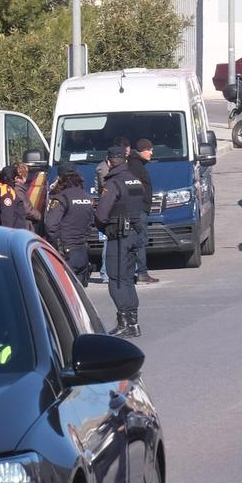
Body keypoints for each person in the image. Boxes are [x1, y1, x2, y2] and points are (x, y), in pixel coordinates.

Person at [94, 147, 141, 337]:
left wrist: (103, 228)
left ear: (109, 161)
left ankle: (125, 323)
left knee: (115, 279)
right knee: (128, 279)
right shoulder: (134, 180)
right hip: (134, 234)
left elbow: (101, 213)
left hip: (118, 235)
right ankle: (134, 321)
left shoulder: (113, 184)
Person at [42, 165, 98, 284]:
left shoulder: (61, 198)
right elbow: (90, 224)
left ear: (59, 178)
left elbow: (51, 226)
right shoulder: (87, 197)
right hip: (83, 251)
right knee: (78, 296)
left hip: (65, 253)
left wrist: (53, 245)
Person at [127, 139, 157, 284]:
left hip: (140, 208)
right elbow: (134, 187)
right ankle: (142, 272)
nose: (151, 152)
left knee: (139, 240)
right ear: (142, 150)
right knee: (140, 240)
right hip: (138, 209)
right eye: (149, 150)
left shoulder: (137, 164)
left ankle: (140, 271)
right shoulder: (135, 165)